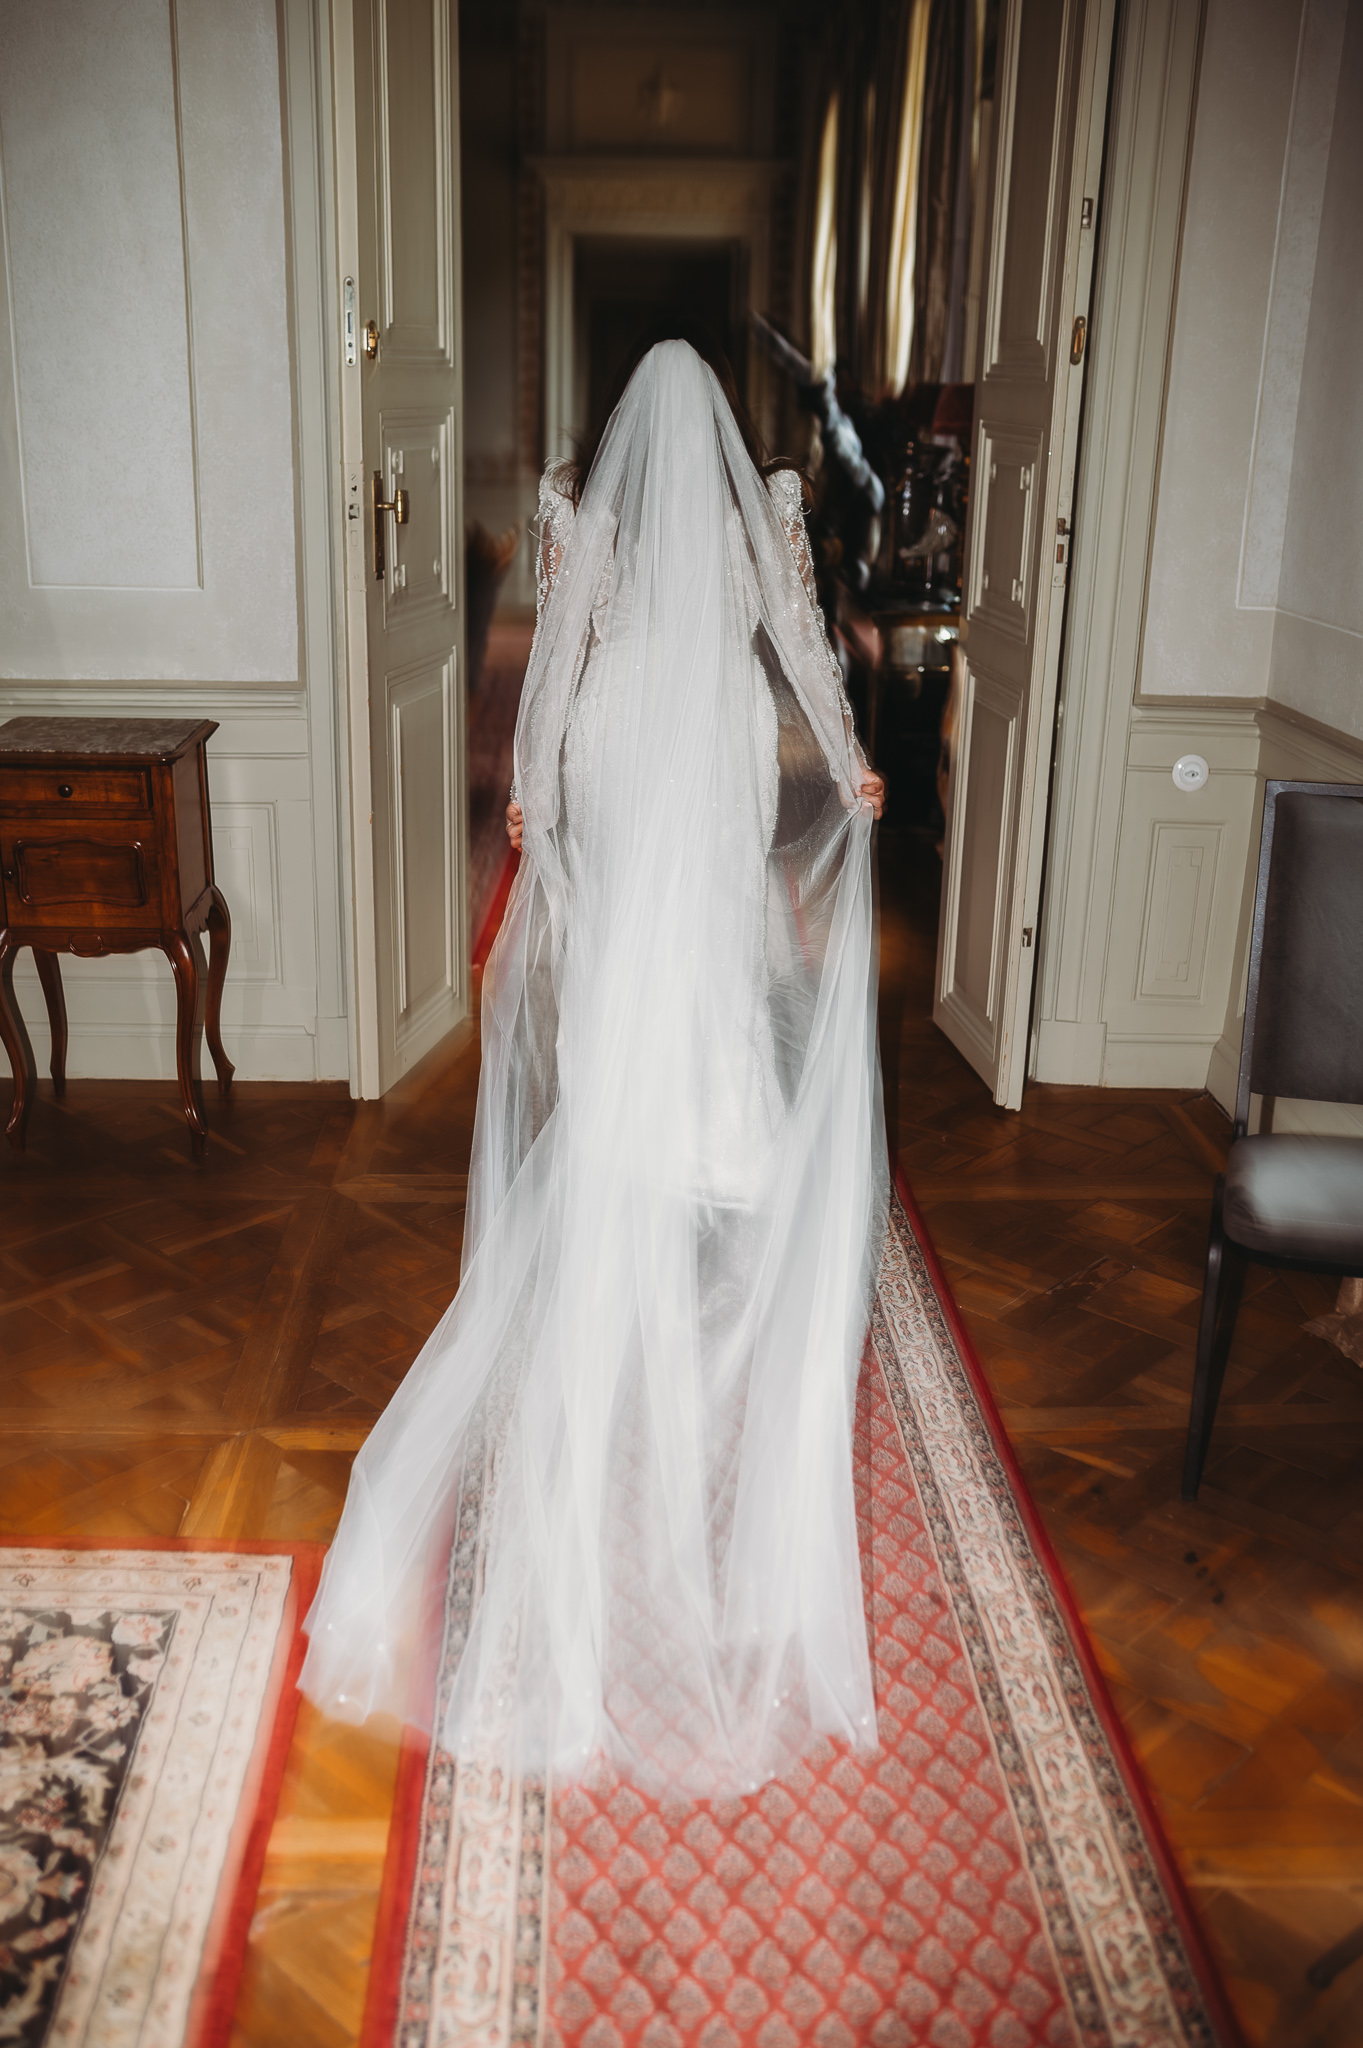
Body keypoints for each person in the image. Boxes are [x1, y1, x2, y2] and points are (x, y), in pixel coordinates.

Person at [300, 333, 889, 1800]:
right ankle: (702, 1145)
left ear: (621, 414)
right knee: (712, 950)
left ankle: (634, 1137)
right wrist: (847, 756)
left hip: (626, 728)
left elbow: (559, 658)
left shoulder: (580, 507)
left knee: (633, 951)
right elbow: (798, 639)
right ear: (725, 422)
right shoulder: (767, 502)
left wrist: (535, 791)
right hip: (714, 727)